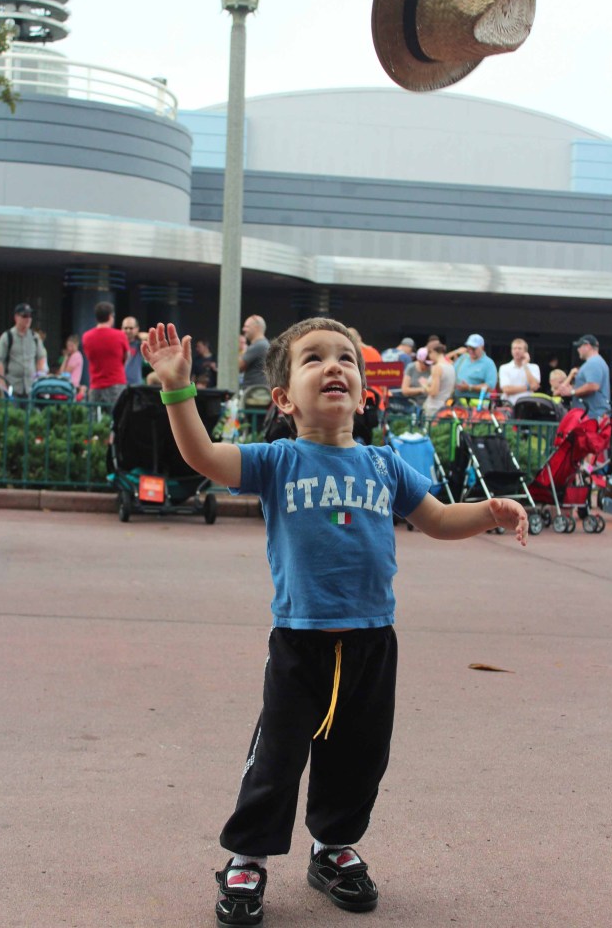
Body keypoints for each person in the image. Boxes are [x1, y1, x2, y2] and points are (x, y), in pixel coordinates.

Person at [141, 315, 528, 928]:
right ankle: (247, 857)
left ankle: (333, 848)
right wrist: (177, 389)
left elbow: (438, 520)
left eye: (345, 357)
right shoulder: (277, 461)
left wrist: (488, 511)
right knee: (278, 755)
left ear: (363, 388)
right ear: (283, 398)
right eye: (314, 358)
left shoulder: (385, 465)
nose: (334, 366)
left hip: (374, 640)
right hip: (301, 642)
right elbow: (204, 456)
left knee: (360, 754)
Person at [0, 303, 47, 397]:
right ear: (16, 317)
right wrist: (2, 383)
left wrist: (39, 379)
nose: (28, 319)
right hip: (13, 386)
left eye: (30, 316)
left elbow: (41, 358)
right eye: (25, 316)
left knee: (31, 411)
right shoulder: (7, 337)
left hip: (31, 387)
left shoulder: (35, 337)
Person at [81, 302, 129, 407]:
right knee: (119, 418)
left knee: (94, 420)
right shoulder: (120, 335)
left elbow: (88, 356)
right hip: (116, 382)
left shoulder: (86, 337)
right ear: (110, 316)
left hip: (95, 384)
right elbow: (126, 357)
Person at [556, 334, 611, 420]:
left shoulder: (593, 363)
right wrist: (574, 387)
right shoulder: (597, 362)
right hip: (592, 415)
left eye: (579, 346)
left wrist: (572, 392)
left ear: (587, 346)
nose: (578, 350)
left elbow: (593, 386)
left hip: (591, 416)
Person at [453, 333, 497, 401]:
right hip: (457, 402)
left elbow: (490, 387)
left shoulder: (489, 363)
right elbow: (452, 374)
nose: (470, 350)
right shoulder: (463, 358)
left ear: (482, 347)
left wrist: (469, 387)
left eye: (474, 348)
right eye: (468, 347)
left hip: (478, 405)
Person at [498, 338, 541, 406]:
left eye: (519, 348)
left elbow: (534, 386)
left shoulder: (534, 367)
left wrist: (525, 366)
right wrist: (528, 388)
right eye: (514, 348)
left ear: (525, 351)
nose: (517, 351)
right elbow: (506, 389)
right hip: (509, 404)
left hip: (528, 405)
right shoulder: (504, 368)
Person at [421, 341, 456, 418]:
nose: (429, 357)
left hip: (433, 408)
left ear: (433, 352)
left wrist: (424, 385)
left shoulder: (437, 368)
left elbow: (434, 392)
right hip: (446, 408)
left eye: (429, 354)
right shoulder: (451, 366)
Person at [240, 315, 269, 387]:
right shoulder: (263, 344)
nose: (243, 329)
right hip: (257, 392)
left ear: (256, 327)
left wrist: (240, 348)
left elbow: (238, 366)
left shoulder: (259, 345)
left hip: (255, 394)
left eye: (246, 326)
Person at [121, 316, 144, 385]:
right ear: (121, 329)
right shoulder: (117, 344)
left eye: (131, 328)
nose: (128, 331)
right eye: (125, 328)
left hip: (136, 384)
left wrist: (138, 335)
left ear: (137, 329)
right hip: (119, 384)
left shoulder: (140, 345)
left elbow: (150, 337)